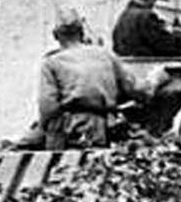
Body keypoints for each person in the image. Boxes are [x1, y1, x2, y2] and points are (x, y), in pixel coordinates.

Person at [38, 10, 151, 149]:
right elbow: (133, 88)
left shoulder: (51, 62)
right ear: (82, 33)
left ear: (55, 35)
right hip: (107, 124)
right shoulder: (105, 55)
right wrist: (155, 82)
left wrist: (44, 130)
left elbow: (48, 106)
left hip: (73, 128)